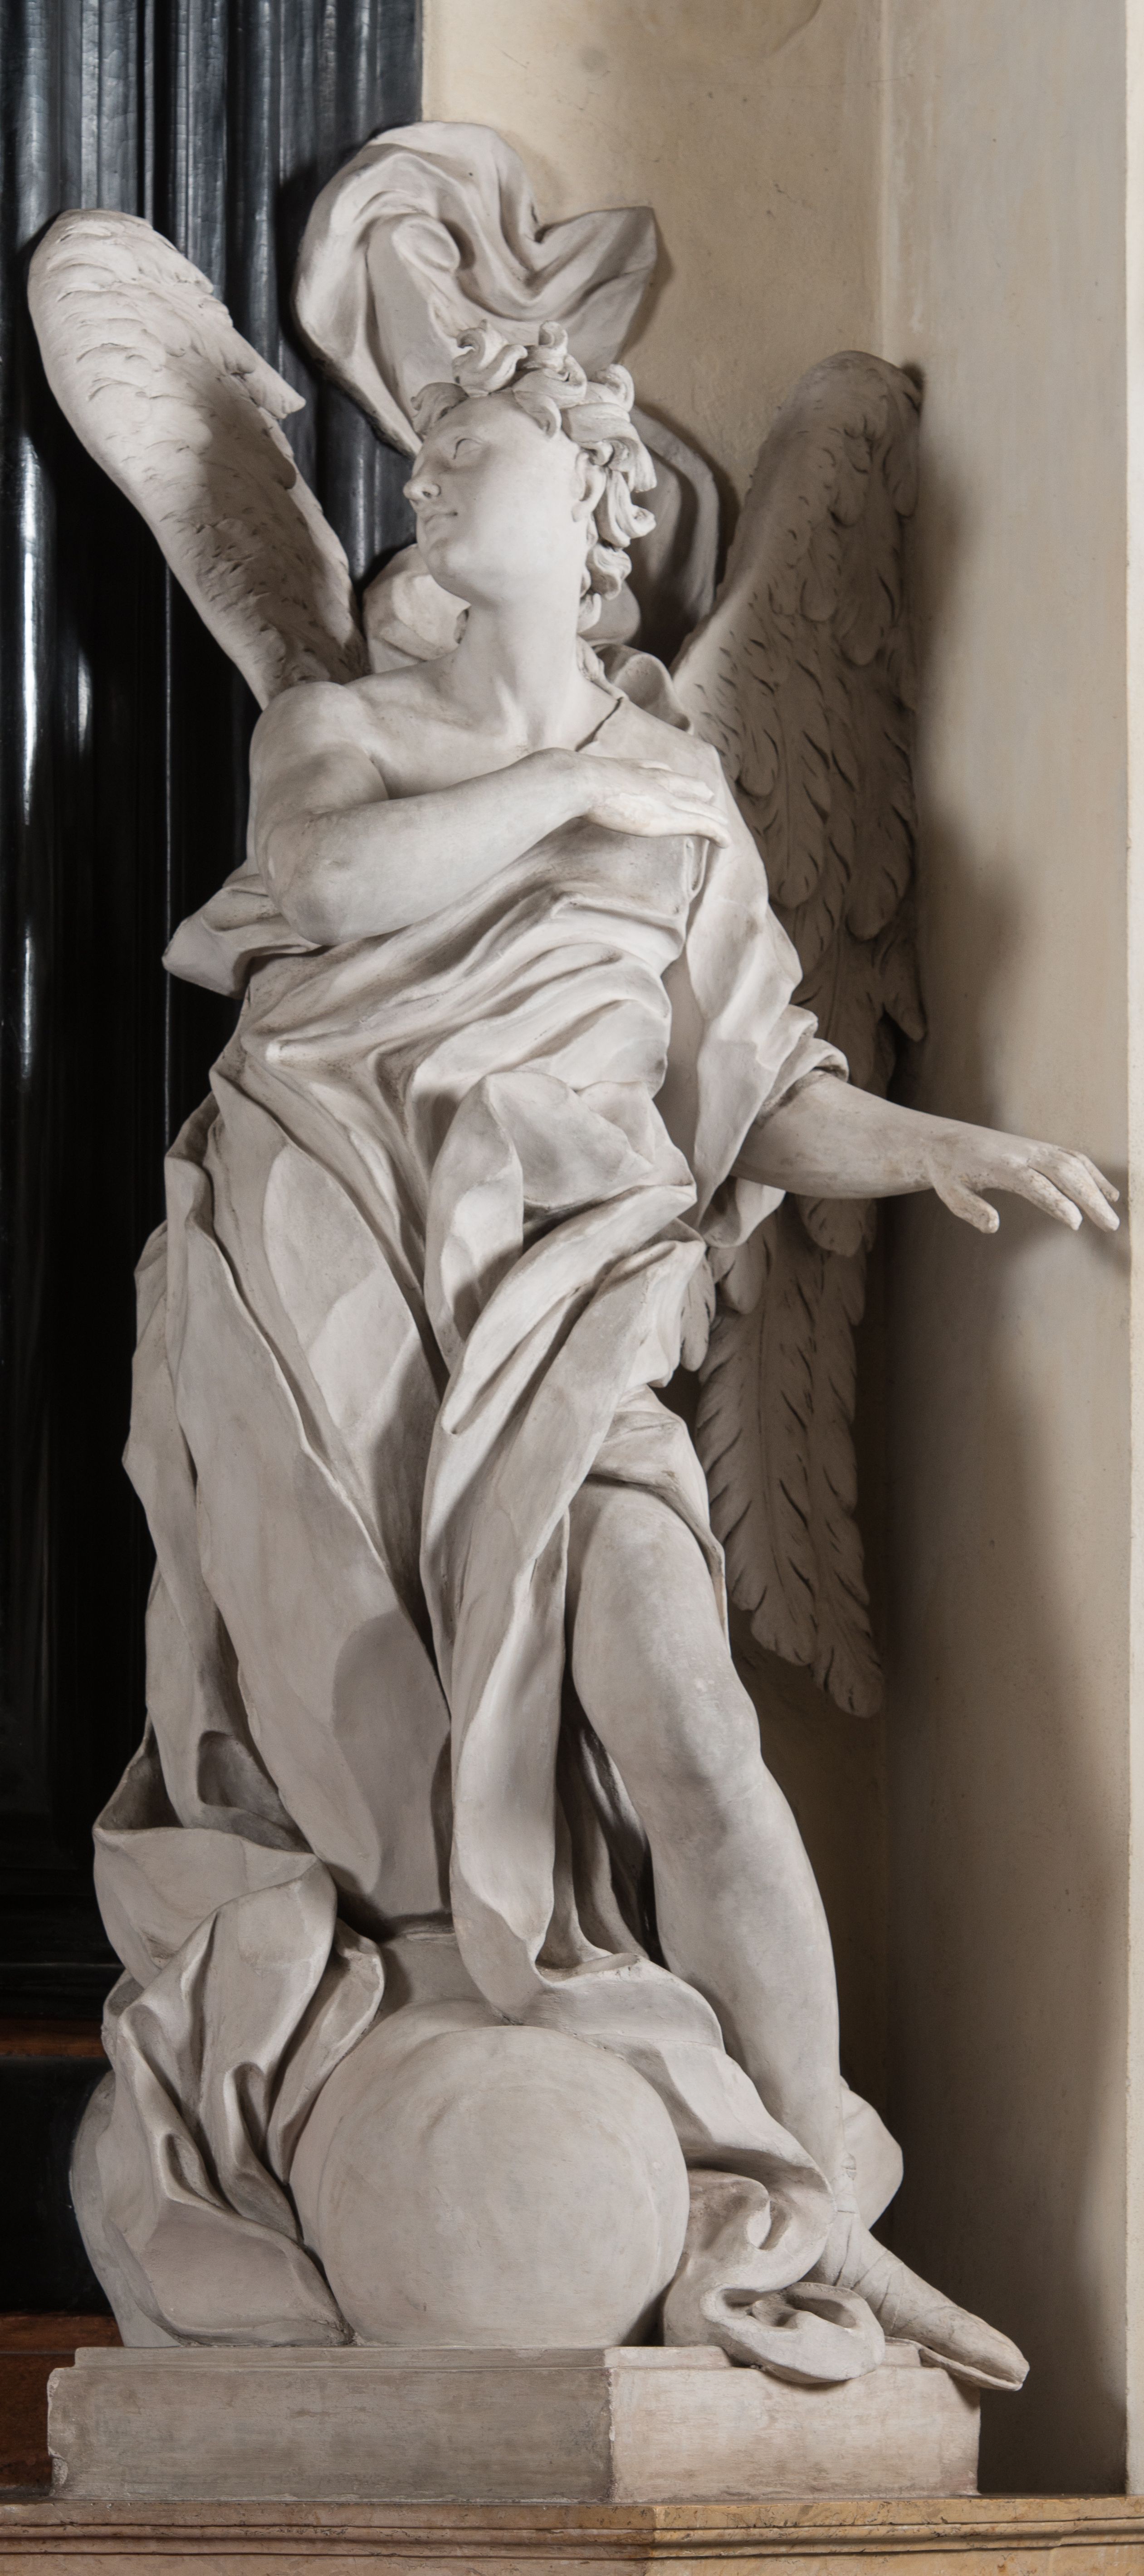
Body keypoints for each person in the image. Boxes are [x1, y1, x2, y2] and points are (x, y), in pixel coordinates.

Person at [97, 322, 1115, 2369]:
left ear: (587, 506)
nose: (420, 479)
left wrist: (943, 1145)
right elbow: (327, 881)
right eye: (419, 458)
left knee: (690, 1719)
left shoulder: (695, 803)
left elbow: (756, 1084)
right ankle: (430, 2112)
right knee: (363, 1767)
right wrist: (580, 782)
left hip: (567, 1306)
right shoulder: (344, 730)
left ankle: (814, 2192)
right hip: (326, 1265)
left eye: (464, 452)